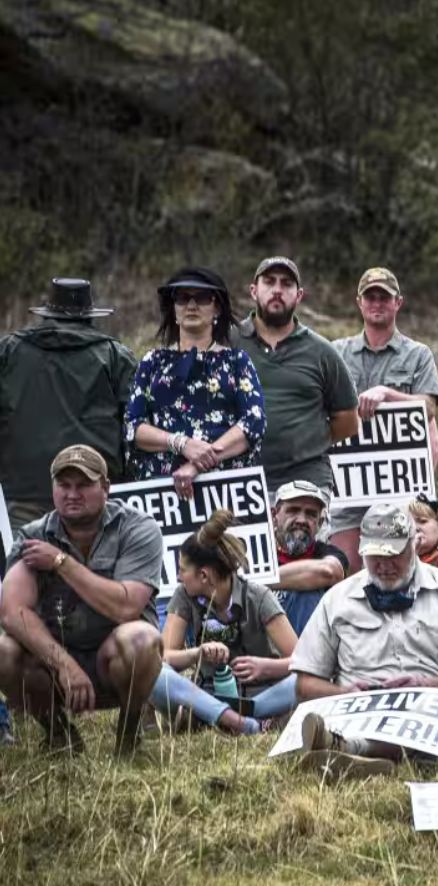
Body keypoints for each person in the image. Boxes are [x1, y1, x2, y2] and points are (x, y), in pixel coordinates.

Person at [290, 504, 438, 778]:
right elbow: (304, 684)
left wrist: (426, 684)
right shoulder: (338, 599)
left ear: (413, 545)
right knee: (327, 715)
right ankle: (362, 750)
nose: (384, 566)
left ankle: (351, 749)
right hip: (358, 710)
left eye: (394, 555)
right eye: (374, 556)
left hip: (430, 706)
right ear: (361, 551)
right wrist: (344, 694)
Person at [0, 446, 164, 755]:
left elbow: (127, 607)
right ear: (53, 488)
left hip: (114, 661)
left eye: (83, 485)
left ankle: (129, 738)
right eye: (64, 485)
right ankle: (59, 736)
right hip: (56, 665)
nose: (72, 493)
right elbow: (11, 612)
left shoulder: (138, 528)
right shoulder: (33, 535)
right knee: (3, 651)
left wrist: (61, 563)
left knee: (142, 639)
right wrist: (65, 665)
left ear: (105, 487)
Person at [329, 267, 438, 570]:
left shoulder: (418, 354)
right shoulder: (336, 352)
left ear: (398, 303)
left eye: (385, 297)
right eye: (371, 297)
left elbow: (429, 407)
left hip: (401, 494)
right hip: (348, 493)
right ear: (359, 303)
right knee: (347, 577)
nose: (377, 303)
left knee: (397, 573)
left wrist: (387, 394)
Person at [0, 278, 136, 526]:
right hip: (93, 496)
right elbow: (135, 427)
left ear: (47, 313)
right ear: (90, 316)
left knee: (25, 561)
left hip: (21, 499)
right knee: (89, 565)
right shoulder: (115, 356)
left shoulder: (8, 352)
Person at [150, 510, 298, 735]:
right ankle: (238, 723)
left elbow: (303, 662)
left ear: (203, 576)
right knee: (152, 671)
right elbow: (164, 658)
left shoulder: (258, 597)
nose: (179, 577)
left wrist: (265, 667)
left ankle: (217, 720)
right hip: (207, 698)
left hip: (259, 698)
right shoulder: (183, 596)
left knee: (307, 681)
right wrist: (197, 653)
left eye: (182, 570)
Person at [125, 267, 267, 495]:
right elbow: (133, 428)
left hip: (226, 489)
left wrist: (198, 462)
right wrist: (182, 444)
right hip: (163, 492)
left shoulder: (236, 361)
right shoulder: (151, 362)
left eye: (201, 298)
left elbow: (254, 423)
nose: (191, 305)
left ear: (216, 307)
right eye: (182, 298)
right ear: (173, 309)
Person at [234, 256, 359, 494]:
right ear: (253, 291)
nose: (277, 290)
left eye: (287, 284)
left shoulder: (322, 352)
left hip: (307, 484)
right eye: (269, 282)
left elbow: (348, 422)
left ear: (299, 295)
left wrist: (304, 443)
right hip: (241, 484)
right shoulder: (228, 342)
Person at [267, 480, 348, 635]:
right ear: (274, 515)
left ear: (320, 523)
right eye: (293, 510)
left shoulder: (327, 552)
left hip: (311, 647)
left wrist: (257, 582)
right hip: (260, 641)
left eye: (311, 514)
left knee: (308, 592)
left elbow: (329, 572)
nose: (302, 520)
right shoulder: (258, 554)